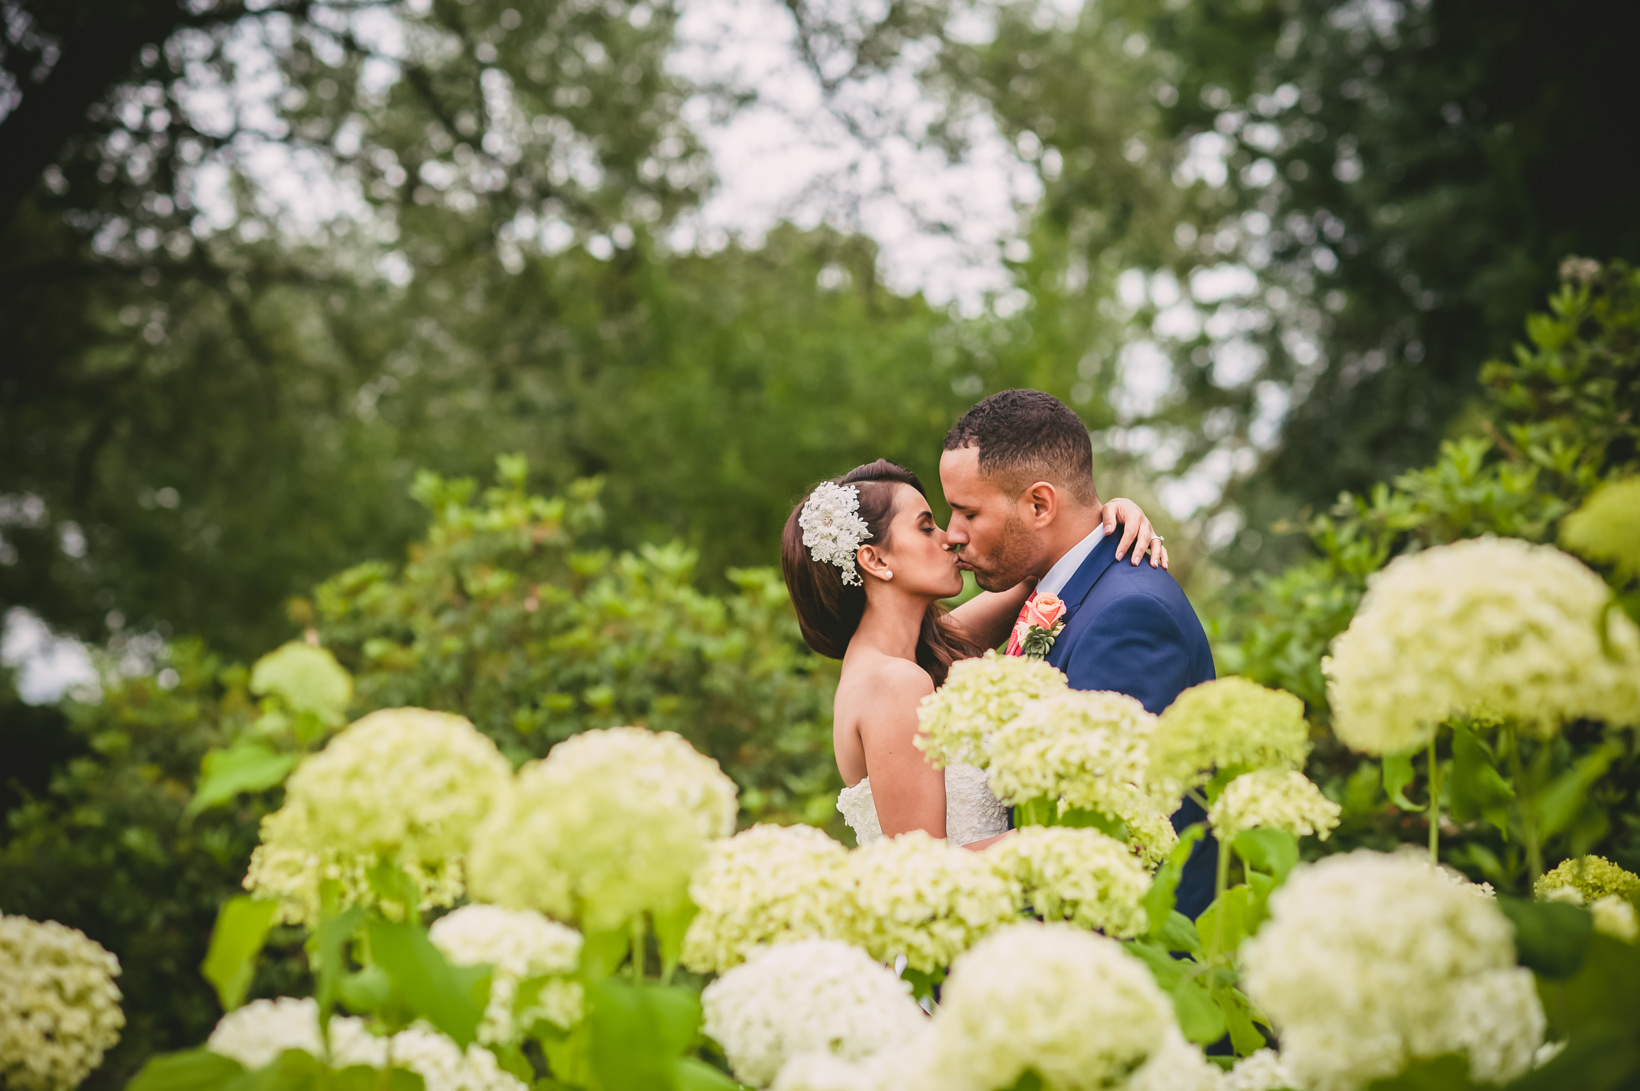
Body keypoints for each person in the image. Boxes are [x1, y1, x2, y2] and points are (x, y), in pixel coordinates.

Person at [779, 457, 1168, 852]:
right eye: (926, 527)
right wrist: (1081, 824)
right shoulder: (892, 682)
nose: (950, 537)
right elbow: (923, 870)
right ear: (875, 560)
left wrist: (1110, 515)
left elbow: (1048, 565)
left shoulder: (922, 650)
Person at [940, 389, 1217, 918]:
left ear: (1040, 504)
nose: (953, 535)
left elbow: (1105, 826)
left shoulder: (1129, 615)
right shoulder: (1061, 585)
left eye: (967, 512)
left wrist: (943, 870)